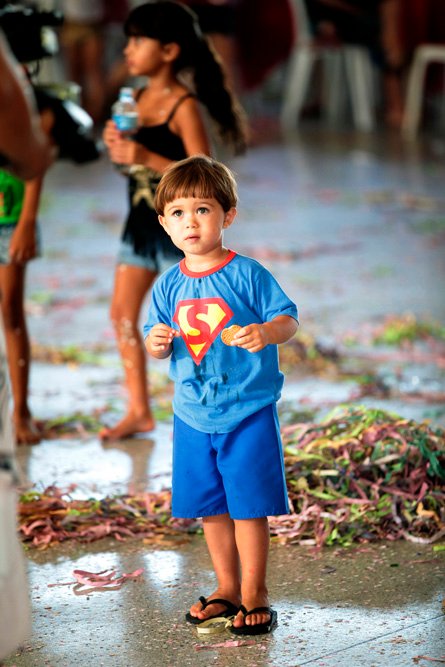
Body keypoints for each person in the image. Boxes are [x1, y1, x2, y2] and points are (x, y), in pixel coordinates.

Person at [144, 155, 299, 634]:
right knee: (211, 506)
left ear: (227, 215)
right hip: (192, 412)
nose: (190, 222)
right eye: (178, 213)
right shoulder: (167, 284)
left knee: (248, 505)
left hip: (247, 410)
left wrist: (266, 332)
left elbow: (288, 319)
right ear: (164, 223)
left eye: (203, 210)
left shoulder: (248, 274)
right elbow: (154, 334)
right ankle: (226, 588)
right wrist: (155, 342)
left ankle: (255, 593)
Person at [101, 1, 247, 441]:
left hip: (183, 235)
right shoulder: (134, 100)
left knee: (195, 321)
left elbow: (204, 177)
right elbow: (131, 171)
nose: (128, 50)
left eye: (138, 41)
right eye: (128, 40)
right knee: (122, 314)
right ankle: (138, 409)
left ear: (168, 51)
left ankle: (211, 402)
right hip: (142, 226)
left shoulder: (182, 106)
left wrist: (144, 155)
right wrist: (119, 151)